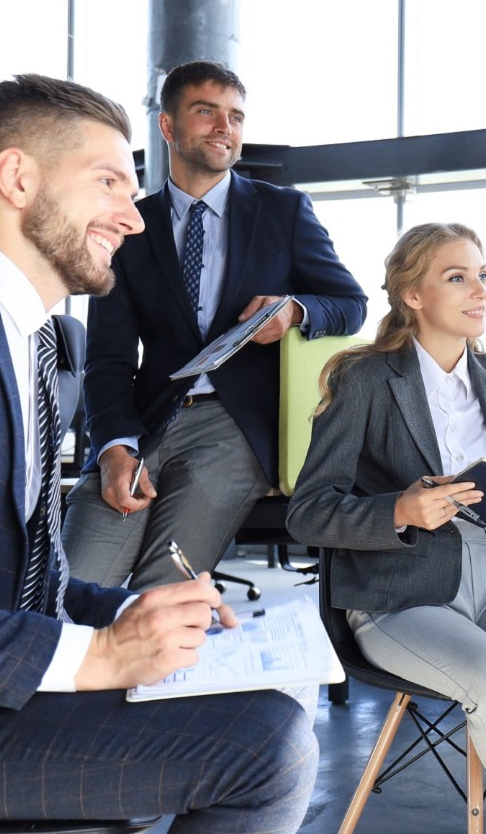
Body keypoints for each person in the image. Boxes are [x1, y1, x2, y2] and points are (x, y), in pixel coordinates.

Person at [0, 74, 316, 831]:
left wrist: (132, 612)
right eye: (107, 184)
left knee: (266, 708)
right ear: (17, 177)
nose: (133, 221)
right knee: (267, 748)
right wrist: (97, 657)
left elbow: (33, 584)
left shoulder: (28, 342)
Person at [286, 222, 486, 834]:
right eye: (458, 277)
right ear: (413, 295)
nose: (480, 291)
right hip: (399, 588)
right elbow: (308, 510)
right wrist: (400, 511)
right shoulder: (362, 379)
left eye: (484, 275)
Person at [62, 60, 367, 590]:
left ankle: (147, 673)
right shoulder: (132, 227)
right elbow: (108, 361)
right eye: (207, 113)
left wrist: (294, 311)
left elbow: (349, 303)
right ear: (168, 126)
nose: (225, 127)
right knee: (71, 586)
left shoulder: (284, 212)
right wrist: (113, 447)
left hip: (237, 427)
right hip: (146, 422)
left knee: (163, 588)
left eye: (236, 116)